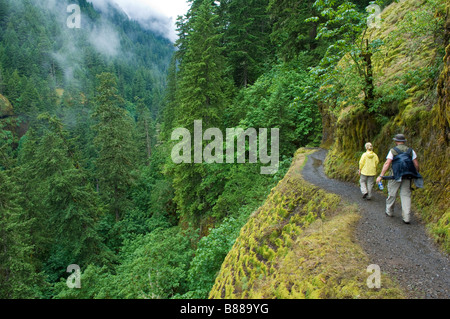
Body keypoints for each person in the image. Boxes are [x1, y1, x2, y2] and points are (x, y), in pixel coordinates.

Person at [376, 134, 422, 224]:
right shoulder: (411, 151)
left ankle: (389, 211)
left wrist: (381, 175)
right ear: (404, 141)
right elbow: (416, 164)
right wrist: (415, 174)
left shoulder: (393, 151)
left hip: (395, 176)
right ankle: (407, 217)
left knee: (392, 193)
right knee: (406, 195)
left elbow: (387, 163)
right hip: (407, 176)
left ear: (396, 141)